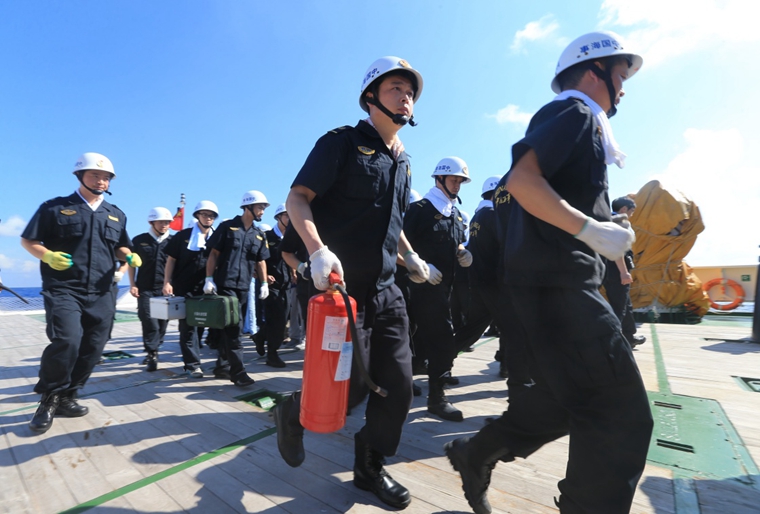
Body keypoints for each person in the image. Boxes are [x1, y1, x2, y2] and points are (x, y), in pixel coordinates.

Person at [444, 31, 653, 514]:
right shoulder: (575, 112)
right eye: (620, 75)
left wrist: (602, 229)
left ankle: (476, 453)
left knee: (566, 399)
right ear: (594, 72)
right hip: (561, 289)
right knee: (620, 418)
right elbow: (523, 180)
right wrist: (592, 231)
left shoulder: (582, 122)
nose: (624, 88)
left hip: (547, 288)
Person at [272, 56, 432, 510]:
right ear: (370, 97)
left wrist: (409, 255)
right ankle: (294, 411)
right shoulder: (341, 143)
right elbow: (297, 198)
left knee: (399, 384)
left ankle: (370, 465)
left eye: (410, 92)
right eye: (396, 88)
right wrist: (316, 250)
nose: (406, 97)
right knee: (349, 385)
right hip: (339, 290)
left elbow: (394, 222)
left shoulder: (404, 162)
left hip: (386, 289)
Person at [21, 152, 140, 434]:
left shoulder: (116, 214)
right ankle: (49, 399)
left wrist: (128, 255)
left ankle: (69, 395)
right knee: (67, 340)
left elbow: (120, 246)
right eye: (94, 175)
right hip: (64, 288)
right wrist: (47, 256)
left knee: (94, 346)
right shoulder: (54, 208)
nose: (101, 181)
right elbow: (28, 240)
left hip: (102, 290)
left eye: (106, 177)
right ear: (80, 176)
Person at [403, 157, 472, 421]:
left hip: (443, 290)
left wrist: (463, 253)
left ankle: (434, 394)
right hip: (415, 288)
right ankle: (428, 395)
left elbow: (456, 243)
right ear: (439, 178)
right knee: (413, 339)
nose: (457, 186)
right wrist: (419, 266)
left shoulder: (455, 214)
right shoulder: (419, 210)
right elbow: (396, 244)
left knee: (438, 341)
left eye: (460, 182)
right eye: (454, 180)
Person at [204, 190, 270, 387]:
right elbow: (214, 254)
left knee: (230, 327)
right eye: (260, 207)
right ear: (248, 206)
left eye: (264, 208)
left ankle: (222, 365)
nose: (262, 211)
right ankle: (238, 373)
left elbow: (261, 261)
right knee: (235, 329)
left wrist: (264, 283)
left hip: (244, 288)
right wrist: (209, 279)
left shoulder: (259, 235)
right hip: (225, 285)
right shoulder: (227, 227)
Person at [163, 200, 219, 378]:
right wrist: (167, 282)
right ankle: (192, 365)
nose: (208, 218)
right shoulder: (182, 237)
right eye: (204, 214)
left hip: (209, 289)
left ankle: (222, 362)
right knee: (188, 328)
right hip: (185, 288)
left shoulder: (218, 237)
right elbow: (171, 260)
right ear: (197, 216)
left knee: (209, 325)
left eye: (211, 215)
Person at [129, 207, 173, 371]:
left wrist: (170, 284)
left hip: (165, 289)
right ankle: (152, 352)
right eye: (161, 222)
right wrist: (132, 284)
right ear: (152, 222)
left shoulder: (173, 241)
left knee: (162, 323)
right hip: (145, 288)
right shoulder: (139, 240)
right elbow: (131, 263)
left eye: (167, 222)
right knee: (148, 320)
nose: (164, 225)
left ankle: (155, 346)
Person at [604, 196, 645, 347]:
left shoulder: (607, 219)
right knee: (619, 306)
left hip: (608, 268)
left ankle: (629, 336)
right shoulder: (619, 222)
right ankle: (613, 342)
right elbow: (617, 248)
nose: (632, 215)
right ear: (623, 209)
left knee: (625, 304)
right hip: (616, 269)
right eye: (631, 211)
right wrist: (623, 272)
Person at [259, 203, 293, 367]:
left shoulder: (292, 237)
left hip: (286, 284)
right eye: (287, 215)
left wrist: (294, 272)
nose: (290, 218)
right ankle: (272, 355)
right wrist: (264, 276)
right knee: (276, 320)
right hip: (270, 285)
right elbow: (257, 259)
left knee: (283, 317)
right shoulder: (266, 237)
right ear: (278, 217)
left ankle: (259, 336)